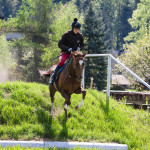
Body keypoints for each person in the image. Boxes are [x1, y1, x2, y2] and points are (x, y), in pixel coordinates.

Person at [50, 18, 84, 84]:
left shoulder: (80, 36)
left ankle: (78, 80)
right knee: (61, 61)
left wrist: (80, 48)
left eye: (78, 29)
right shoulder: (66, 34)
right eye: (76, 29)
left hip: (74, 54)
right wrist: (67, 48)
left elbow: (82, 45)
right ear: (72, 28)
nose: (77, 30)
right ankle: (53, 76)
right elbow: (59, 44)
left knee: (79, 63)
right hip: (65, 52)